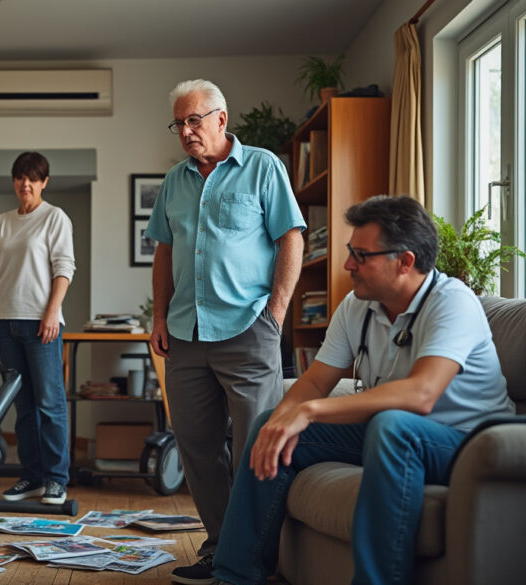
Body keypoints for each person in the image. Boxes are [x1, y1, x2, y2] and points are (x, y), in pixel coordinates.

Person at [207, 195, 514, 585]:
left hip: (466, 442)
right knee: (273, 422)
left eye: (361, 255)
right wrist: (287, 416)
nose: (348, 264)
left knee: (392, 425)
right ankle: (233, 576)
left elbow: (422, 394)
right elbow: (317, 380)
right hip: (393, 433)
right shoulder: (357, 305)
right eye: (351, 252)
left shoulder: (453, 303)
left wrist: (311, 412)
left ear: (405, 262)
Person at [144, 79, 306, 584]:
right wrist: (158, 317)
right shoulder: (174, 180)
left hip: (248, 328)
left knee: (255, 444)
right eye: (179, 123)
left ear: (221, 119)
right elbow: (164, 251)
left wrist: (275, 313)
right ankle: (220, 549)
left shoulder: (263, 166)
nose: (187, 131)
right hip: (186, 333)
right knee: (196, 446)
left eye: (194, 120)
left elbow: (290, 238)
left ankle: (257, 558)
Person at [0, 152, 75, 505]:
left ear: (44, 182)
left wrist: (52, 313)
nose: (26, 184)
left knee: (50, 404)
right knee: (23, 406)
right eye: (20, 177)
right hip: (6, 322)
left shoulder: (55, 218)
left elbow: (64, 268)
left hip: (40, 323)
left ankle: (56, 480)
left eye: (33, 178)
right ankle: (31, 477)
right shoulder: (2, 222)